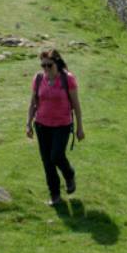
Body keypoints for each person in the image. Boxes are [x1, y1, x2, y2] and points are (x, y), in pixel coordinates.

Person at [26, 49, 84, 205]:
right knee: (47, 162)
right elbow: (33, 103)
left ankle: (69, 174)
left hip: (62, 125)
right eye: (43, 65)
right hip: (41, 125)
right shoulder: (38, 79)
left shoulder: (68, 79)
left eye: (49, 65)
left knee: (56, 156)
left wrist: (79, 128)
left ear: (57, 64)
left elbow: (76, 106)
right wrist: (28, 124)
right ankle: (55, 195)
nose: (45, 69)